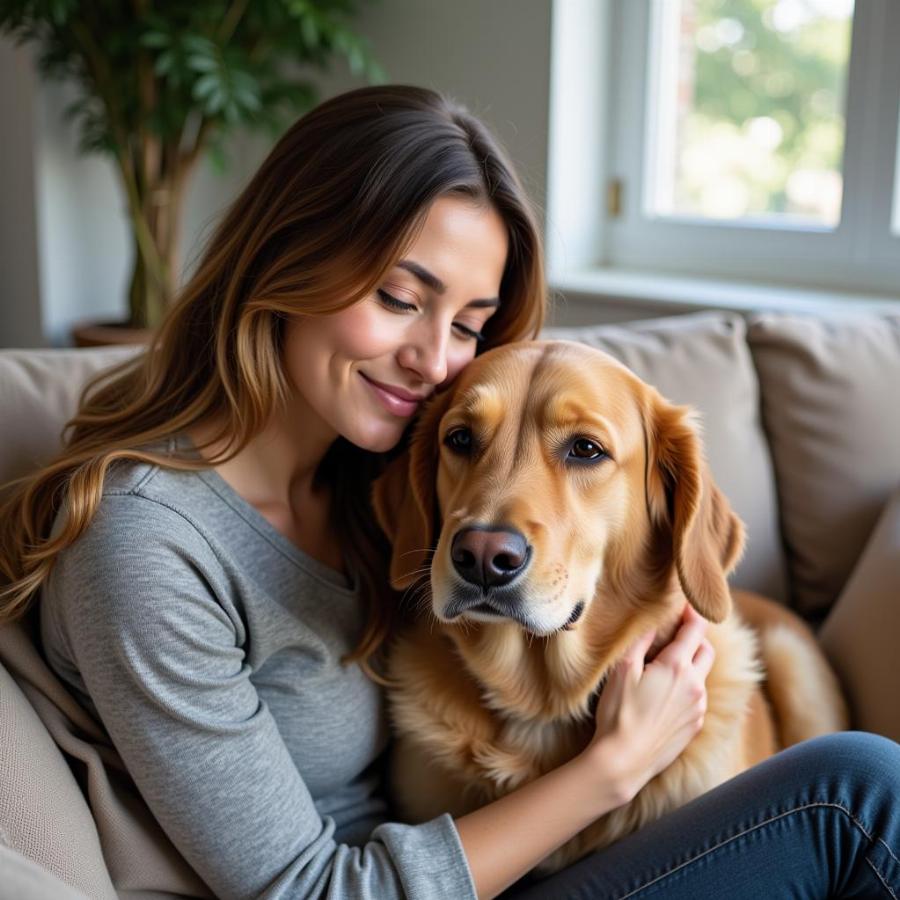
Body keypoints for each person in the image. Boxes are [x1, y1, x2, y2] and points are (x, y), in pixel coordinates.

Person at [0, 84, 897, 900]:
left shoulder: (384, 471)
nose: (435, 361)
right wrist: (616, 767)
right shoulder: (146, 543)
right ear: (285, 261)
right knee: (860, 792)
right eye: (398, 298)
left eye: (469, 324)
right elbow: (305, 893)